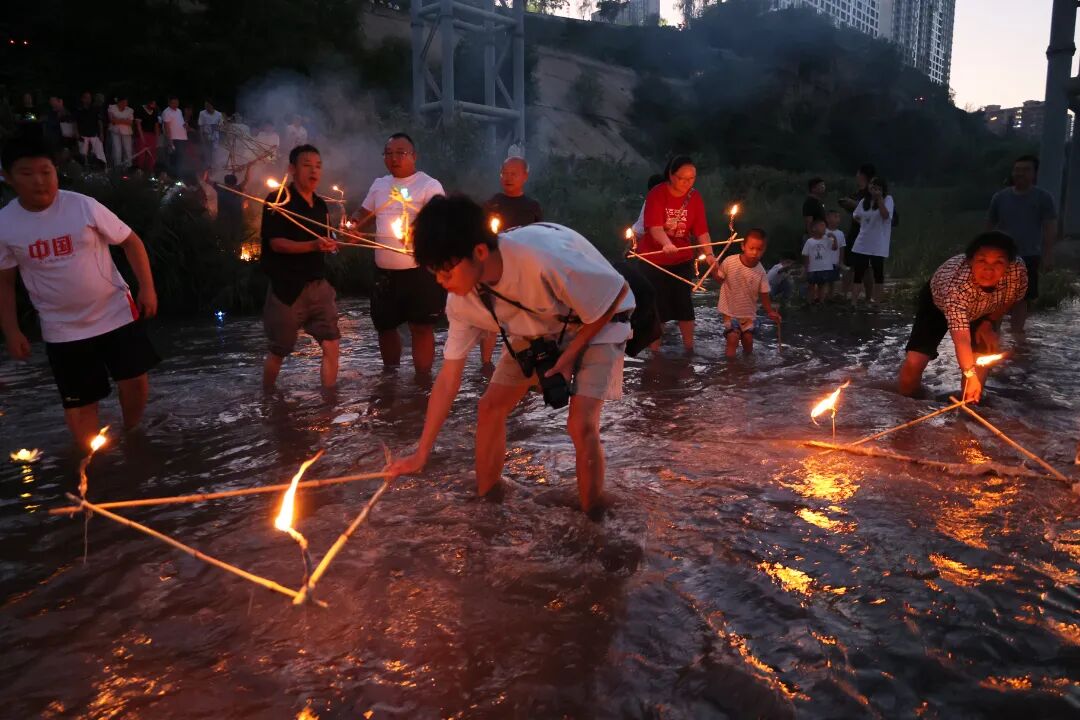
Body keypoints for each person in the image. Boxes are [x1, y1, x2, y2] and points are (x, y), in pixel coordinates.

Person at [386, 194, 635, 513]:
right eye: (434, 273)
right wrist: (422, 452)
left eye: (446, 273)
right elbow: (448, 379)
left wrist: (569, 356)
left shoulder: (542, 258)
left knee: (580, 422)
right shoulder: (461, 302)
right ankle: (486, 505)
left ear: (479, 251)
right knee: (489, 407)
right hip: (537, 325)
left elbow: (617, 292)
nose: (441, 282)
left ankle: (594, 520)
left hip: (599, 317)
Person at [0, 137, 160, 448]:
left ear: (55, 170)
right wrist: (11, 329)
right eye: (27, 173)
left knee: (134, 380)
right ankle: (91, 465)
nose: (39, 181)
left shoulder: (82, 206)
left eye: (46, 171)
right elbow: (4, 281)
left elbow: (131, 241)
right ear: (8, 177)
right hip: (62, 327)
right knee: (79, 401)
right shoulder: (5, 224)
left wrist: (148, 289)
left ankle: (133, 437)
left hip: (114, 310)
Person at [898, 232, 1027, 403]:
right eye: (982, 261)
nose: (989, 269)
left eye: (998, 262)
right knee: (914, 362)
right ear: (970, 261)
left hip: (985, 309)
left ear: (1009, 264)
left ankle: (966, 416)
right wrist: (968, 372)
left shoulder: (1017, 271)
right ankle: (908, 405)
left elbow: (1011, 297)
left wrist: (989, 322)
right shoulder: (956, 288)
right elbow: (961, 339)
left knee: (977, 376)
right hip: (937, 305)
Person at [357, 133, 446, 374]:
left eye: (401, 152)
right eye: (389, 153)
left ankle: (423, 383)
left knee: (421, 327)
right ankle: (391, 377)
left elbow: (438, 218)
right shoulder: (379, 184)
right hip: (384, 273)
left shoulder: (429, 185)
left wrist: (416, 231)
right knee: (385, 326)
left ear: (414, 156)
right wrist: (349, 227)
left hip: (419, 271)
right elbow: (362, 216)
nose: (394, 158)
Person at [259, 144, 340, 391]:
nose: (314, 171)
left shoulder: (320, 205)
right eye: (307, 165)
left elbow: (327, 241)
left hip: (318, 285)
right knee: (279, 350)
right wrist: (314, 245)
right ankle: (268, 397)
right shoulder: (278, 200)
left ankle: (329, 400)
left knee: (332, 343)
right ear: (292, 169)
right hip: (287, 290)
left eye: (318, 166)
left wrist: (334, 244)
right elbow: (277, 244)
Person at [639, 155, 715, 353]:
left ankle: (689, 349)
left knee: (684, 303)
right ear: (671, 176)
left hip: (682, 258)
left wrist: (709, 254)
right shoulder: (657, 194)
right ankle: (654, 352)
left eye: (692, 178)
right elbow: (654, 228)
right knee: (657, 306)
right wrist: (666, 243)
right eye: (683, 178)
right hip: (654, 259)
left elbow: (702, 231)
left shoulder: (695, 197)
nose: (688, 183)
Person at [479, 156, 544, 369]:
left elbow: (540, 239)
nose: (508, 178)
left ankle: (518, 365)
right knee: (491, 321)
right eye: (504, 173)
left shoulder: (532, 206)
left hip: (522, 271)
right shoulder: (491, 204)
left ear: (525, 176)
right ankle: (486, 366)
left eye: (513, 174)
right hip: (494, 270)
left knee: (520, 318)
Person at [986, 155, 1057, 332]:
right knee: (997, 296)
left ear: (1034, 174)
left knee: (1022, 298)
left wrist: (1048, 256)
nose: (1020, 174)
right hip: (1001, 256)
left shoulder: (1043, 198)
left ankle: (1017, 335)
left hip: (1029, 254)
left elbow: (1049, 227)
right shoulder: (1000, 197)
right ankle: (993, 335)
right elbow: (989, 225)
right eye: (1017, 170)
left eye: (1026, 170)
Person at [715, 229, 780, 357]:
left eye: (759, 249)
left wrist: (770, 312)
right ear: (743, 246)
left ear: (764, 250)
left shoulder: (760, 271)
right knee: (733, 338)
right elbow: (719, 279)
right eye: (751, 248)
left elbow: (764, 294)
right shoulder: (729, 261)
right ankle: (730, 369)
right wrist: (713, 266)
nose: (755, 253)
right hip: (730, 310)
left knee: (748, 339)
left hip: (748, 313)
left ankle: (747, 367)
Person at [849, 176, 894, 304]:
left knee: (878, 273)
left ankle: (877, 303)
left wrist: (879, 199)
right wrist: (865, 224)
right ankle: (853, 302)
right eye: (873, 187)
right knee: (858, 273)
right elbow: (855, 216)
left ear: (882, 190)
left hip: (878, 243)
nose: (874, 190)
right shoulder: (864, 201)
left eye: (878, 189)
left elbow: (886, 216)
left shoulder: (887, 199)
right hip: (863, 241)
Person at [802, 218, 833, 304]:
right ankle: (809, 302)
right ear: (814, 228)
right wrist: (806, 269)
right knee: (811, 285)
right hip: (813, 268)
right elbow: (806, 255)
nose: (824, 228)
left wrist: (833, 237)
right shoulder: (809, 241)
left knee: (822, 285)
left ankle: (821, 301)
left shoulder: (827, 240)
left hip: (824, 268)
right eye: (822, 225)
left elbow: (834, 247)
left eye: (825, 226)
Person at [74, 91, 106, 167]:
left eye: (89, 98)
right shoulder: (79, 110)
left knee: (99, 153)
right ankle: (84, 168)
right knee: (83, 153)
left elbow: (99, 122)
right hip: (83, 135)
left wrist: (101, 133)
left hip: (94, 134)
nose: (88, 99)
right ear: (82, 99)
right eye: (86, 98)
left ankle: (103, 167)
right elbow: (75, 122)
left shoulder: (95, 109)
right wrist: (76, 132)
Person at [161, 96, 188, 177]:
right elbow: (166, 127)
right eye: (174, 102)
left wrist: (185, 125)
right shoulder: (166, 112)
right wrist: (170, 141)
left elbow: (180, 122)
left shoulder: (179, 111)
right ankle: (172, 175)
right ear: (169, 103)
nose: (176, 104)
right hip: (174, 138)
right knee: (173, 157)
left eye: (177, 102)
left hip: (182, 137)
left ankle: (178, 175)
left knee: (180, 157)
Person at [824, 209, 847, 299]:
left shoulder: (840, 233)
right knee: (823, 280)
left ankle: (830, 297)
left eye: (839, 217)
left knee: (832, 281)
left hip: (835, 262)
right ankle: (821, 296)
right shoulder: (823, 232)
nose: (838, 219)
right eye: (835, 217)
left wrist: (840, 261)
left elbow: (842, 248)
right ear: (828, 218)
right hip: (824, 262)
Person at [107, 96, 134, 168]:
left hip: (127, 132)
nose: (125, 104)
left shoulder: (129, 110)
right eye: (123, 102)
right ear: (119, 102)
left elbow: (130, 122)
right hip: (115, 131)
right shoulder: (112, 108)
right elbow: (112, 120)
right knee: (117, 149)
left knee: (128, 149)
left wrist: (118, 120)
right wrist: (124, 120)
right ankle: (117, 166)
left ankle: (128, 166)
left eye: (126, 102)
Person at [133, 99, 160, 173]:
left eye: (154, 105)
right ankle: (139, 169)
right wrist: (142, 137)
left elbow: (156, 125)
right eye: (152, 104)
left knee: (152, 153)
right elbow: (138, 125)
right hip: (142, 134)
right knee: (141, 153)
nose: (153, 106)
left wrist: (157, 138)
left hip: (152, 135)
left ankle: (150, 170)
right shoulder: (140, 110)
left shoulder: (155, 111)